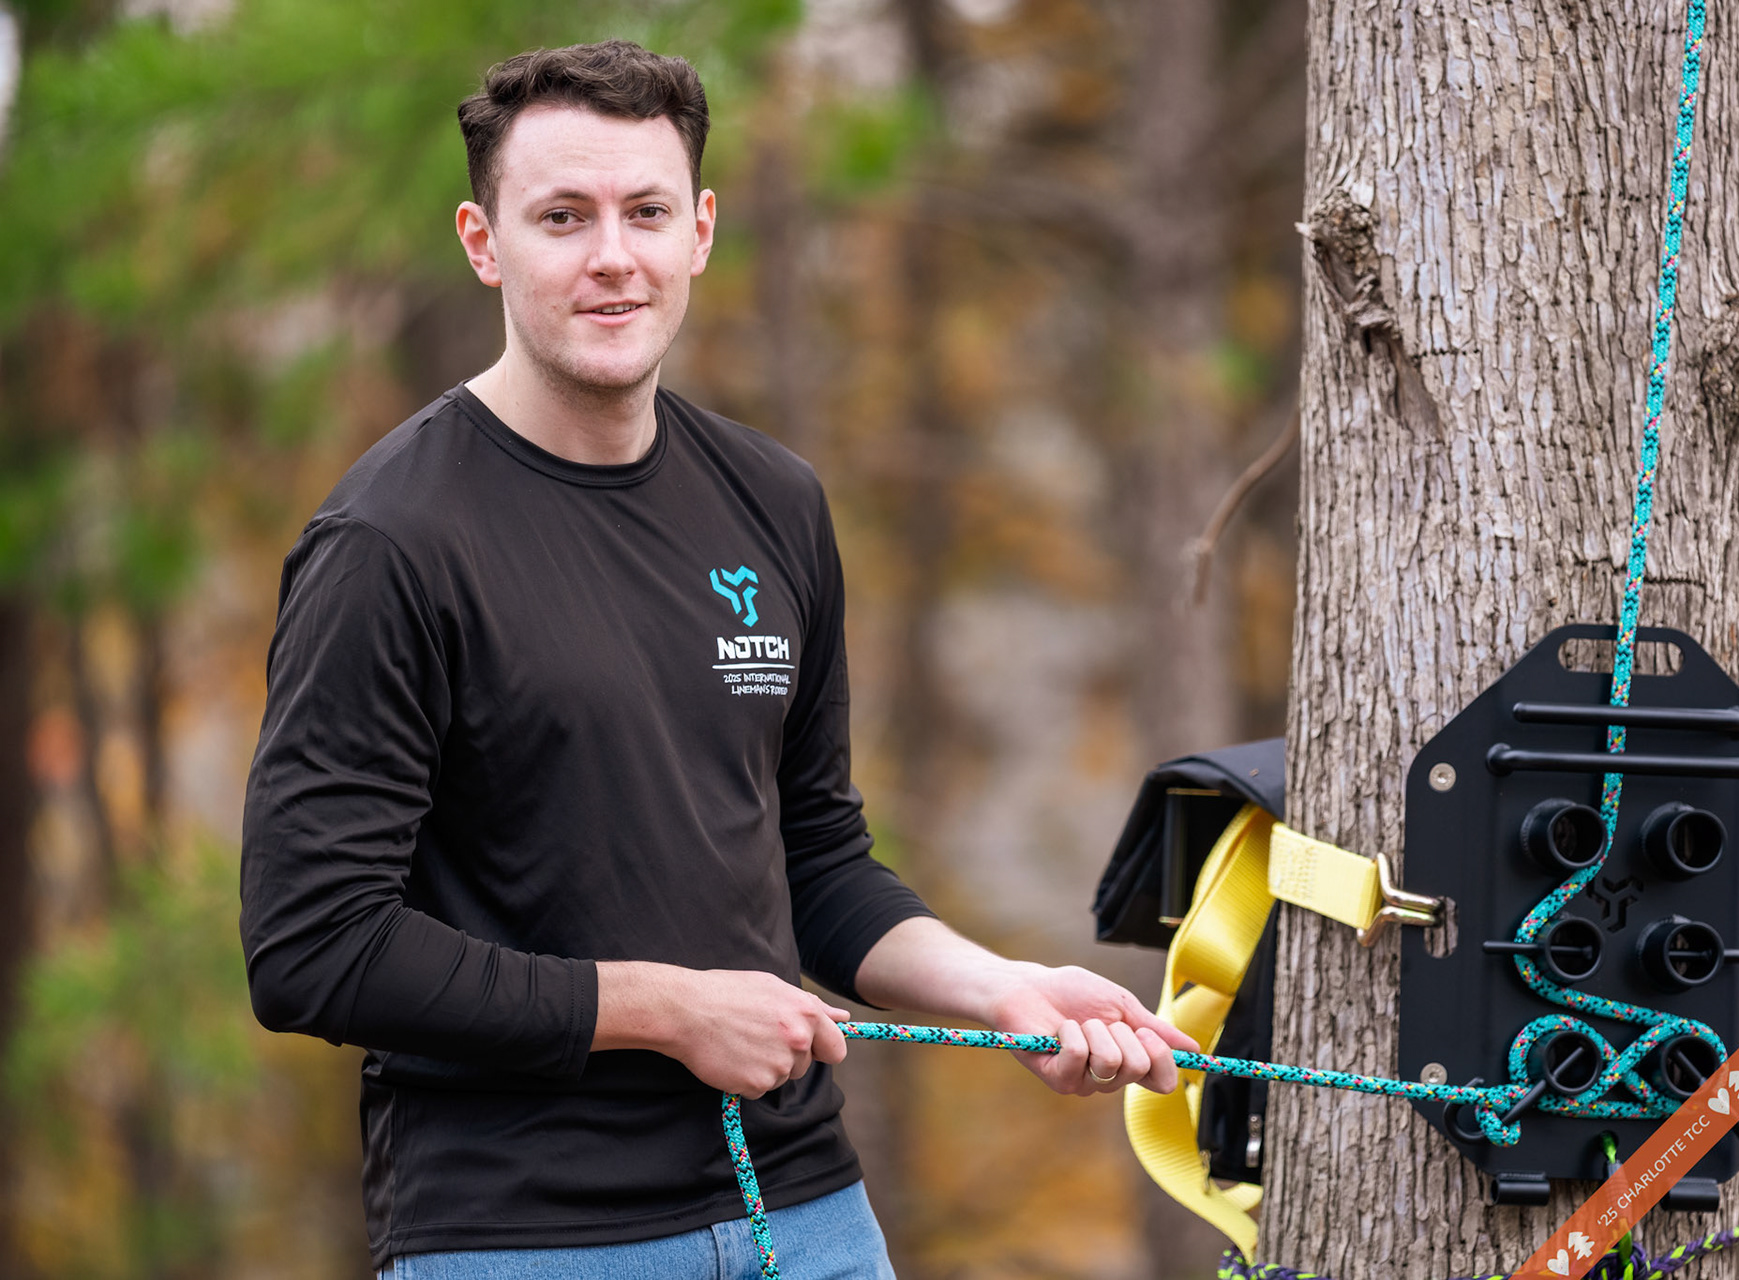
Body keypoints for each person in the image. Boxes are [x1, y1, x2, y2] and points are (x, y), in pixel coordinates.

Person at [238, 39, 1194, 1280]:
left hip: (805, 1212)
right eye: (562, 217)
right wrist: (670, 1009)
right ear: (483, 242)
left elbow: (817, 858)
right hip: (522, 1233)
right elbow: (312, 944)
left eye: (644, 211)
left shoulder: (774, 501)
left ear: (699, 230)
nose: (611, 258)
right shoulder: (391, 543)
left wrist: (1002, 987)